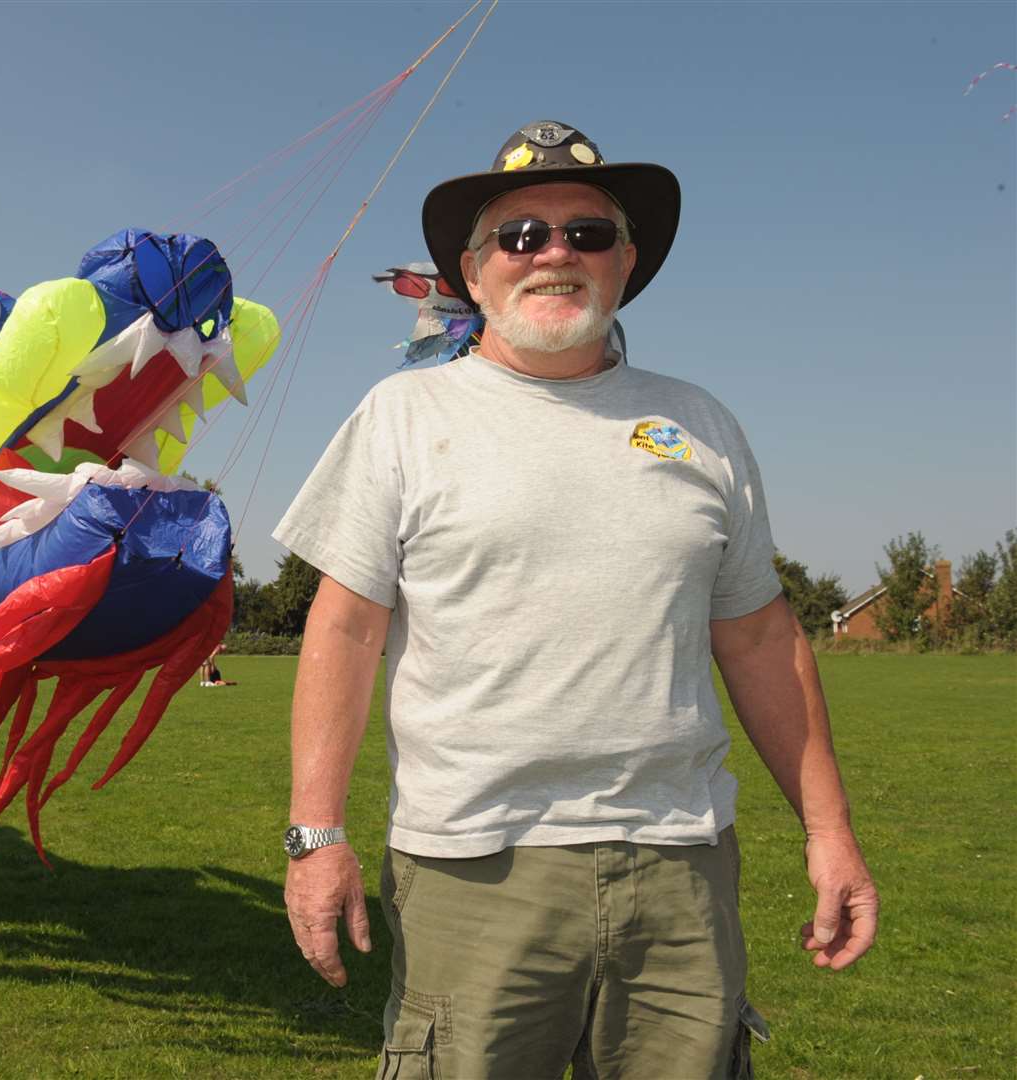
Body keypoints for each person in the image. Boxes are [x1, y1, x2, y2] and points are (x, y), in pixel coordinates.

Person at [272, 120, 878, 1079]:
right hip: (473, 866)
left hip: (680, 865)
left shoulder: (700, 423)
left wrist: (830, 832)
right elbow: (343, 630)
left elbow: (761, 639)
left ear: (624, 264)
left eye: (586, 233)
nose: (554, 253)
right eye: (520, 235)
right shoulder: (402, 415)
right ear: (473, 275)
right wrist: (315, 837)